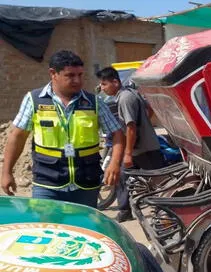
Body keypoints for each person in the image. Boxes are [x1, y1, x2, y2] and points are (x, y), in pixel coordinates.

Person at [1, 50, 124, 208]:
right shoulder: (34, 100)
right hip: (47, 183)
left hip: (86, 183)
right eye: (70, 75)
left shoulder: (94, 102)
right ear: (53, 73)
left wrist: (114, 163)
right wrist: (6, 172)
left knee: (83, 229)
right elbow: (17, 137)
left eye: (80, 75)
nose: (77, 80)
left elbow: (118, 134)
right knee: (47, 229)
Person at [96, 67, 165, 222]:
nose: (103, 88)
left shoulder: (125, 98)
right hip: (137, 147)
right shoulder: (130, 94)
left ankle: (164, 213)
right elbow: (148, 109)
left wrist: (127, 153)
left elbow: (130, 126)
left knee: (157, 182)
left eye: (104, 84)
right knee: (121, 176)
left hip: (143, 149)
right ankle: (125, 210)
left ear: (115, 82)